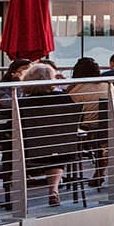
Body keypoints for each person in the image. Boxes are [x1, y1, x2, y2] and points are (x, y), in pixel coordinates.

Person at [18, 61, 78, 207]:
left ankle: (16, 194)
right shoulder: (64, 98)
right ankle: (54, 189)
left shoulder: (23, 103)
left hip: (29, 150)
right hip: (61, 149)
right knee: (54, 149)